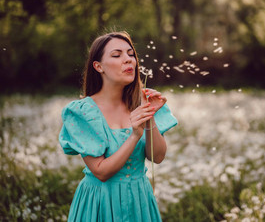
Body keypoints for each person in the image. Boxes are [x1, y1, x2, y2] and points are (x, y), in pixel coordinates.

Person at [59, 31, 177, 221]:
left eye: (131, 54)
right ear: (98, 66)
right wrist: (134, 136)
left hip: (139, 200)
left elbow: (158, 157)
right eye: (117, 55)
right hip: (101, 202)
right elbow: (101, 172)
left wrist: (149, 116)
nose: (128, 60)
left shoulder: (142, 101)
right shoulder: (83, 112)